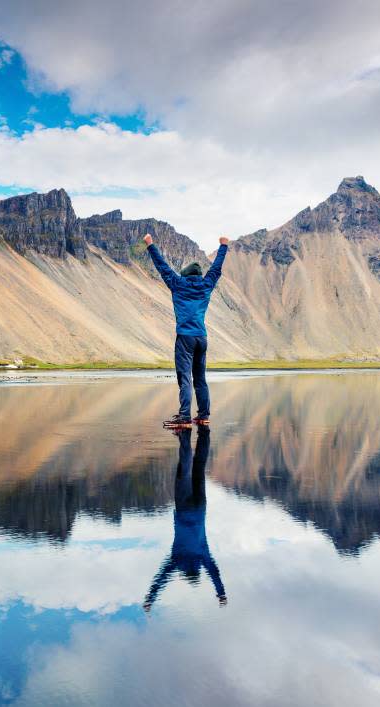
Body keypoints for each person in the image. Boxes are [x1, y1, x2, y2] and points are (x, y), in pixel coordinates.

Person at [143, 232, 229, 427]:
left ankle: (184, 417)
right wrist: (223, 246)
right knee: (200, 379)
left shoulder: (178, 284)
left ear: (185, 274)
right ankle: (203, 415)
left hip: (185, 338)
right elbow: (216, 269)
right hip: (201, 337)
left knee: (185, 378)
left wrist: (150, 245)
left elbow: (162, 267)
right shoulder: (206, 284)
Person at [143, 426, 226, 612]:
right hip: (183, 508)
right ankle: (184, 434)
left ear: (197, 571)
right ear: (185, 573)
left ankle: (204, 430)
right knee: (185, 468)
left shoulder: (202, 557)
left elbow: (214, 573)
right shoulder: (177, 560)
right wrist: (150, 597)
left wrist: (221, 593)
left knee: (199, 466)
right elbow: (162, 577)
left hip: (200, 507)